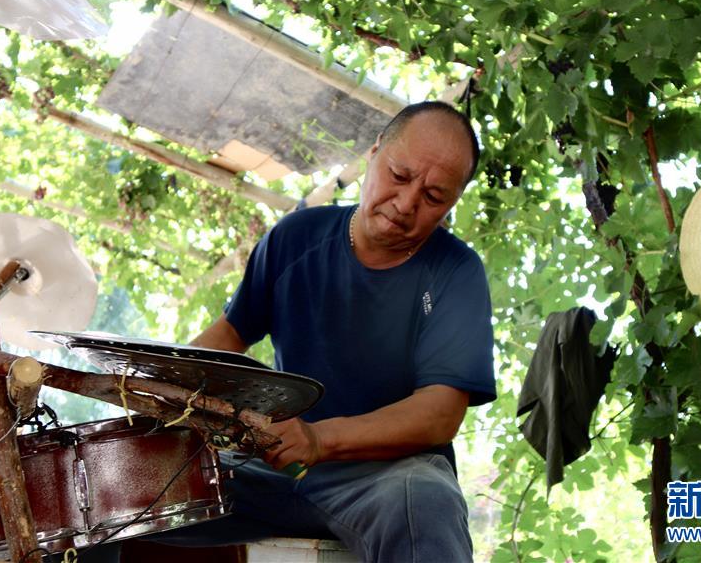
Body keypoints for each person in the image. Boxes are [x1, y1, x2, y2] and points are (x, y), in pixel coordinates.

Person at [157, 101, 497, 562]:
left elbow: (439, 415)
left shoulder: (456, 273)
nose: (406, 203)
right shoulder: (294, 237)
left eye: (434, 197)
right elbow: (229, 337)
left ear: (452, 203)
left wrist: (320, 440)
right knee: (125, 478)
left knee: (427, 499)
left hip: (387, 481)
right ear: (375, 151)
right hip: (269, 468)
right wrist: (154, 379)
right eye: (399, 175)